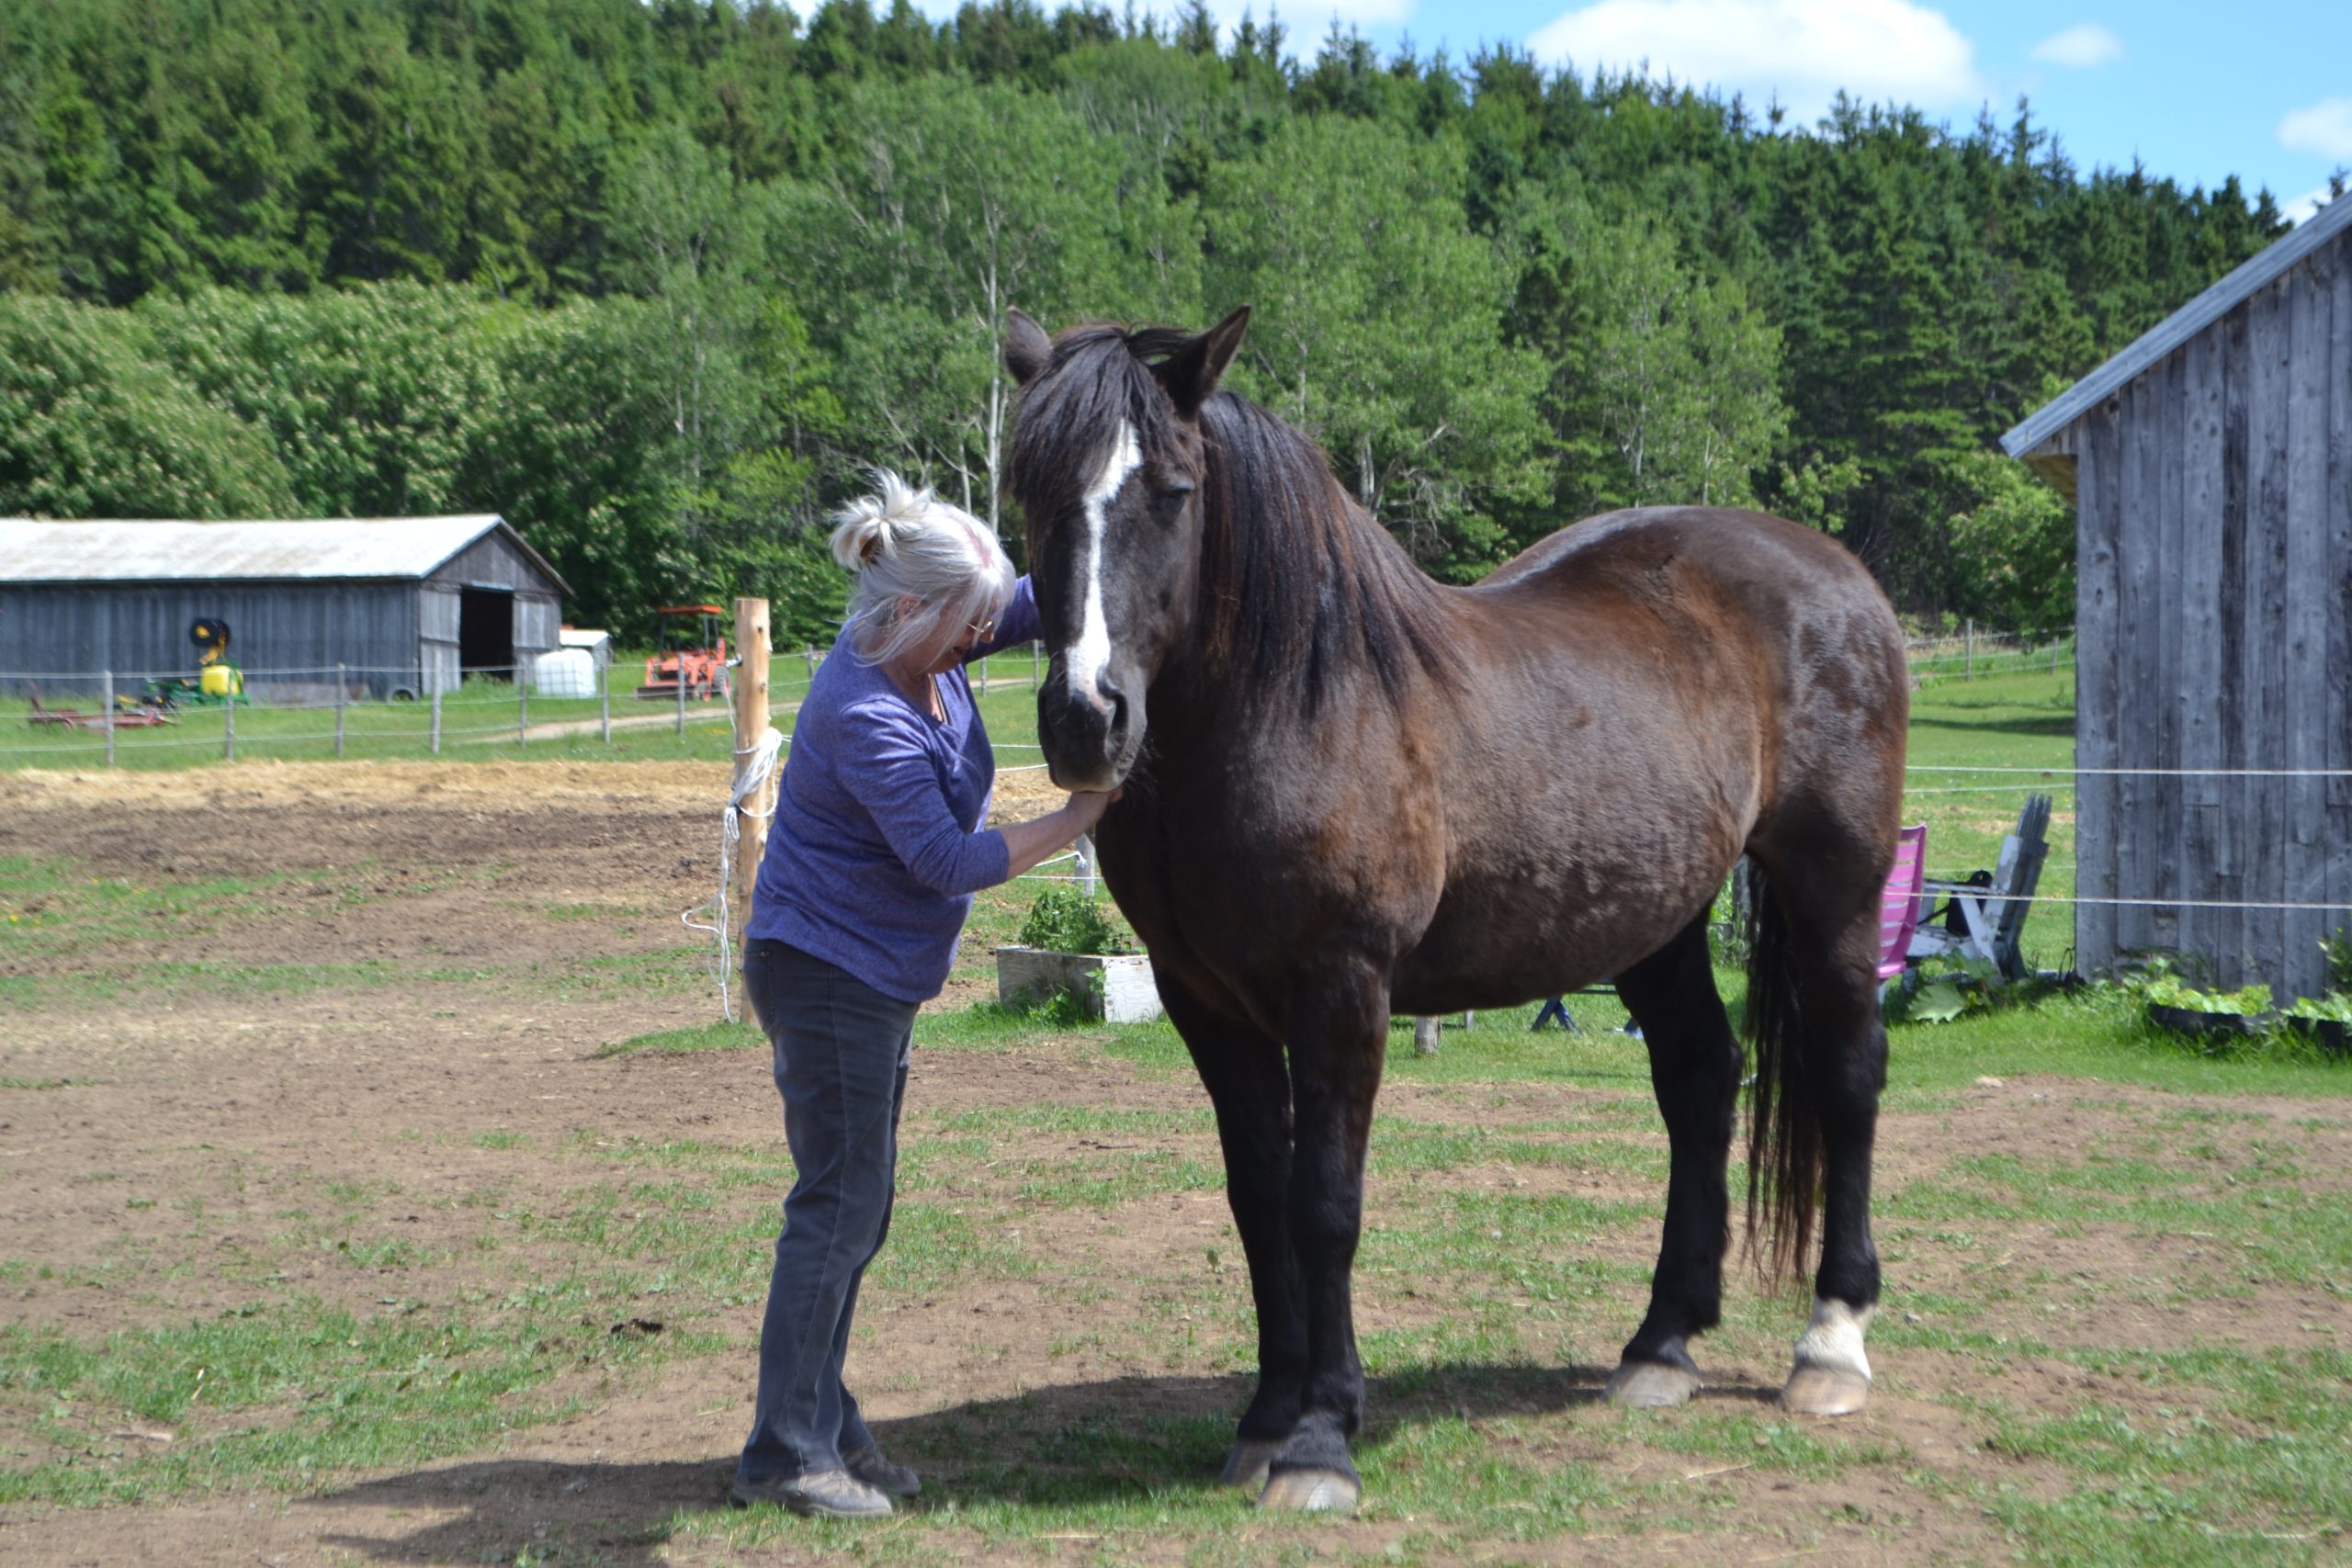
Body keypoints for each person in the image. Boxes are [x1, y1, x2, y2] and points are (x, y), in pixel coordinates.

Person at [730, 473, 1114, 1518]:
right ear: (909, 613)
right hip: (828, 978)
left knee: (858, 1206)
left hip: (867, 980)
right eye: (967, 627)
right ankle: (785, 1452)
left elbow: (1035, 597)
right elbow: (946, 862)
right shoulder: (863, 711)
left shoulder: (923, 638)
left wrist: (1118, 534)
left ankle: (826, 1421)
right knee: (838, 1208)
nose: (979, 640)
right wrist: (1081, 815)